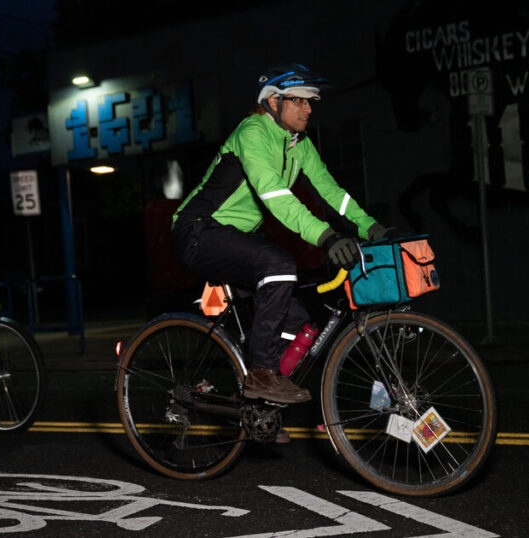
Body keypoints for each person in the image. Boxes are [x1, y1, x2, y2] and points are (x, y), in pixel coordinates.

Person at [172, 63, 403, 406]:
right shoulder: (253, 132)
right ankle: (261, 374)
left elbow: (331, 191)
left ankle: (260, 407)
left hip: (235, 236)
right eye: (300, 100)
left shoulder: (298, 144)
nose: (309, 108)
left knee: (298, 322)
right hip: (198, 229)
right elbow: (276, 196)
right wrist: (326, 237)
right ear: (274, 102)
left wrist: (370, 226)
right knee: (279, 264)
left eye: (312, 101)